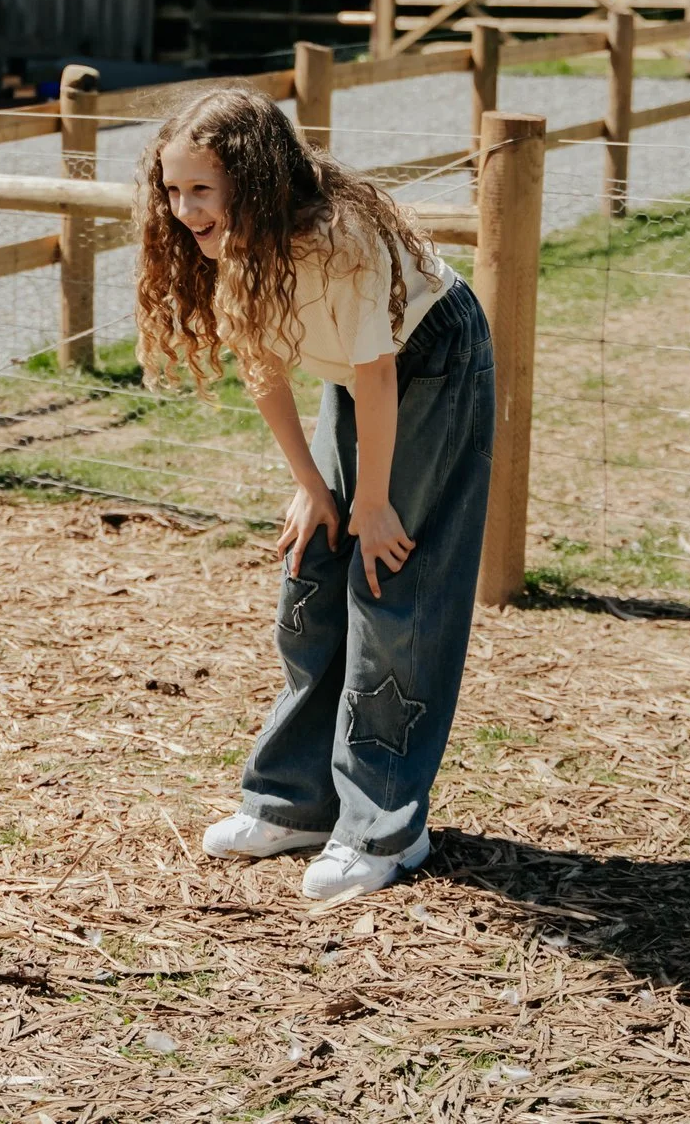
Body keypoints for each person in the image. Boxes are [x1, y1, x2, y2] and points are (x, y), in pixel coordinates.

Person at [134, 86, 495, 899]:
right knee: (313, 562)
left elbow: (377, 374)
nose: (183, 208)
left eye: (201, 189)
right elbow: (263, 367)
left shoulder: (341, 239)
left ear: (253, 182)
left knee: (388, 574)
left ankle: (386, 825)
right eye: (172, 187)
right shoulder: (231, 242)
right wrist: (311, 488)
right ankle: (296, 799)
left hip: (426, 361)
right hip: (358, 374)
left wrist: (371, 501)